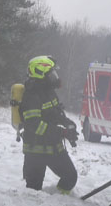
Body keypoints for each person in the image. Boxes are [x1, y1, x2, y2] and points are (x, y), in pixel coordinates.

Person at [19, 55, 79, 193]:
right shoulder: (31, 95)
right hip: (35, 150)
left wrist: (68, 124)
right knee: (33, 191)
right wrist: (61, 132)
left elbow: (56, 113)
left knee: (70, 177)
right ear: (40, 73)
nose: (55, 77)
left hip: (52, 146)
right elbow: (34, 125)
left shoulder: (49, 92)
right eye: (51, 73)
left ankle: (58, 202)